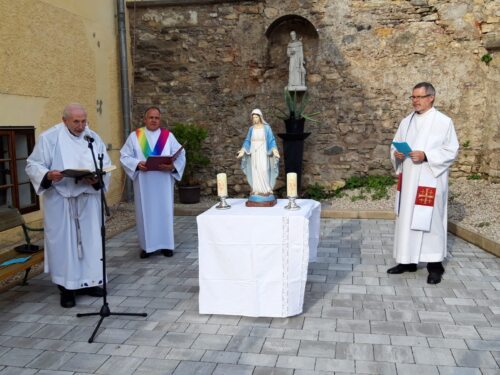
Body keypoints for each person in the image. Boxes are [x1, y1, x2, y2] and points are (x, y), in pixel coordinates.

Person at [26, 103, 110, 308]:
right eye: (76, 122)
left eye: (84, 121)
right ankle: (66, 289)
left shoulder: (93, 138)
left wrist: (97, 178)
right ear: (64, 120)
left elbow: (105, 164)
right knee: (65, 246)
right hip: (61, 200)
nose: (81, 126)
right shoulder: (50, 138)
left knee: (90, 242)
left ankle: (90, 283)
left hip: (87, 200)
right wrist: (48, 175)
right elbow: (33, 164)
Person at [388, 82, 459, 284]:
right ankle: (406, 261)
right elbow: (394, 144)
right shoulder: (406, 121)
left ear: (431, 98)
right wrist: (397, 154)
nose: (415, 101)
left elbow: (451, 150)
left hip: (430, 180)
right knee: (407, 219)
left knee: (431, 222)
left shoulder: (443, 122)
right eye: (413, 97)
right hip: (409, 180)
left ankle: (435, 265)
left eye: (419, 97)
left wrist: (426, 155)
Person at [120, 106, 186, 259]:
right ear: (145, 119)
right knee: (146, 212)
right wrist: (137, 164)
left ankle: (167, 245)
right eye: (151, 117)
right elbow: (124, 156)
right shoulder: (135, 136)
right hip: (144, 182)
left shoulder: (167, 136)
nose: (154, 120)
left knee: (164, 212)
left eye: (157, 118)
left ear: (160, 120)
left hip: (163, 181)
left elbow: (181, 153)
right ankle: (147, 247)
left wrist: (172, 166)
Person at [237, 109, 279, 204]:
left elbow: (271, 140)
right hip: (254, 152)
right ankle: (256, 189)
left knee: (264, 169)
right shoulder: (251, 129)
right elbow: (247, 141)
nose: (255, 119)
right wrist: (243, 150)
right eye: (253, 117)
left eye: (256, 117)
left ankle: (266, 189)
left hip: (263, 151)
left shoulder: (266, 128)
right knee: (255, 170)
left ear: (260, 117)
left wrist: (274, 150)